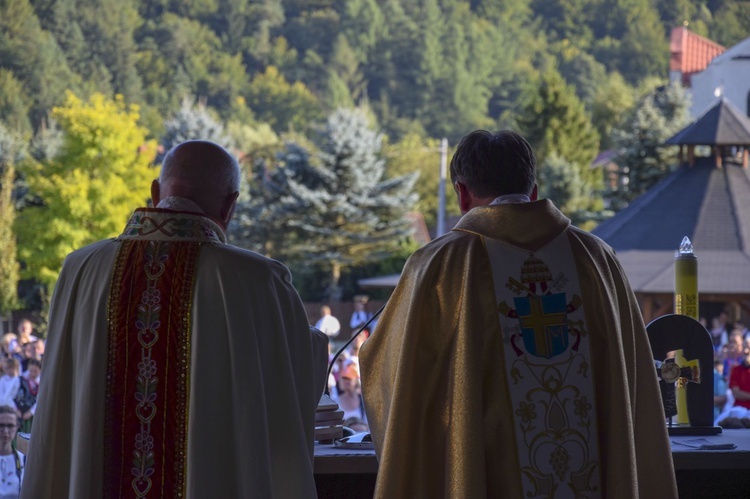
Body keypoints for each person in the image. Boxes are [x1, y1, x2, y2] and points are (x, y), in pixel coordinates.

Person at [360, 130, 678, 498]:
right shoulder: (596, 259)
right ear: (535, 190)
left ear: (462, 194)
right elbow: (634, 386)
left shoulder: (440, 265)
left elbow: (393, 377)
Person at [21, 140, 328, 499]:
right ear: (230, 205)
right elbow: (291, 384)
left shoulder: (80, 269)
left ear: (154, 192)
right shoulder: (258, 280)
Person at [0, 406, 24, 499]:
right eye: (1, 425)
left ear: (17, 427)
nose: (5, 431)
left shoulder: (24, 461)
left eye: (10, 426)